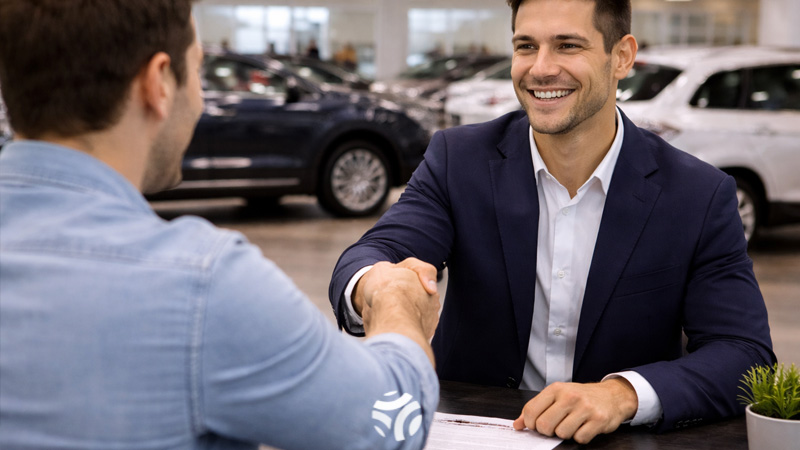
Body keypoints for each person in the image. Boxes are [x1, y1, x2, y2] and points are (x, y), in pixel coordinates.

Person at [329, 0, 775, 444]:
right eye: (526, 46)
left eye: (567, 45)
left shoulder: (697, 194)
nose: (541, 68)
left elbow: (744, 355)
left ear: (621, 56)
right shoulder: (458, 161)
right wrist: (385, 291)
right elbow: (375, 252)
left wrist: (621, 395)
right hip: (475, 433)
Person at [0, 1, 439, 449]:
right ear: (158, 84)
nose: (201, 98)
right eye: (197, 71)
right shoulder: (201, 285)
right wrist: (395, 303)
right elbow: (392, 425)